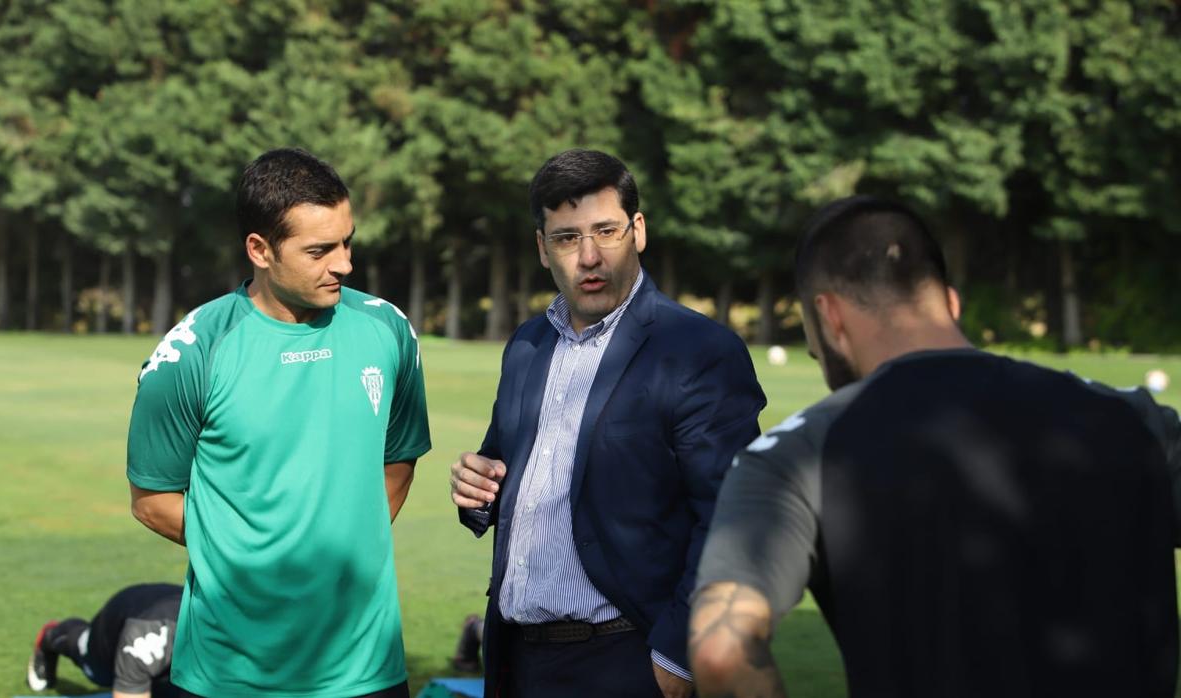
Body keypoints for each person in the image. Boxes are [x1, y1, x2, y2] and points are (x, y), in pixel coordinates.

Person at [689, 196, 1181, 698]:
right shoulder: (1133, 419)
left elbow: (721, 652)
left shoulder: (798, 454)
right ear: (950, 301)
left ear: (830, 317)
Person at [449, 148, 767, 698]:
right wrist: (479, 493)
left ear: (638, 230)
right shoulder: (526, 345)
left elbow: (733, 515)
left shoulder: (697, 350)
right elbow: (510, 471)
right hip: (517, 661)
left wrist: (676, 655)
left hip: (627, 661)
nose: (590, 256)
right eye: (568, 237)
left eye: (606, 231)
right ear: (542, 248)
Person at [126, 148, 431, 698]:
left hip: (365, 670)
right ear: (260, 250)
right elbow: (151, 498)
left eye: (347, 241)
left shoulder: (388, 330)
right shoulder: (191, 354)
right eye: (319, 250)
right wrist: (255, 560)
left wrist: (338, 551)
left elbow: (399, 460)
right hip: (228, 674)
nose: (343, 264)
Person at [25, 583, 181, 698]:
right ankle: (53, 635)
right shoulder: (149, 639)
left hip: (167, 617)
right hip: (125, 613)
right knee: (99, 672)